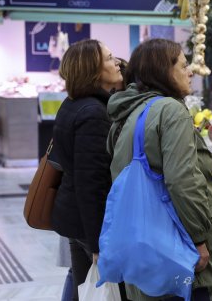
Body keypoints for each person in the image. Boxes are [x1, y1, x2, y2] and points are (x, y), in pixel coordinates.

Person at [106, 38, 212, 301]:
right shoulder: (171, 111)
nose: (190, 71)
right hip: (177, 251)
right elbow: (182, 181)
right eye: (184, 65)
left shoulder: (129, 113)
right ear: (164, 71)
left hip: (144, 251)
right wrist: (197, 239)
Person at [51, 39, 124, 301]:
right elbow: (91, 184)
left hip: (74, 217)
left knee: (81, 281)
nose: (116, 62)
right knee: (93, 285)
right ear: (93, 71)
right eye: (109, 58)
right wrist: (98, 244)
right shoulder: (93, 113)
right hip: (88, 224)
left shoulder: (74, 103)